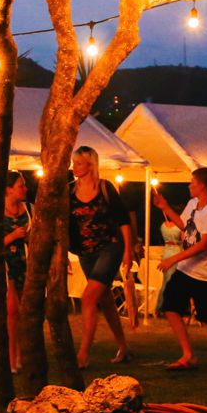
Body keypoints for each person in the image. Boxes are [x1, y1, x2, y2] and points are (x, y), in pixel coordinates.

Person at [154, 167, 207, 371]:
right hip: (187, 270)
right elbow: (185, 228)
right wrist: (165, 207)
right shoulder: (193, 204)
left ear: (202, 186)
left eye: (192, 182)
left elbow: (202, 245)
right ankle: (188, 355)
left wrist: (174, 259)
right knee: (170, 305)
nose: (189, 185)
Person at [68, 145, 133, 367]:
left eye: (78, 163)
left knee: (88, 298)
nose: (74, 167)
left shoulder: (105, 188)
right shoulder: (70, 192)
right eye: (74, 162)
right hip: (85, 252)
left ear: (90, 165)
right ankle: (123, 347)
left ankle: (83, 354)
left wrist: (128, 250)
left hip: (109, 248)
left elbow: (123, 220)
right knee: (105, 300)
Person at [0, 171, 32, 372]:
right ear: (8, 189)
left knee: (24, 315)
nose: (25, 189)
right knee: (12, 313)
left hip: (25, 265)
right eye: (21, 186)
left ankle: (21, 356)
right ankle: (11, 361)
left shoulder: (28, 210)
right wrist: (12, 236)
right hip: (6, 266)